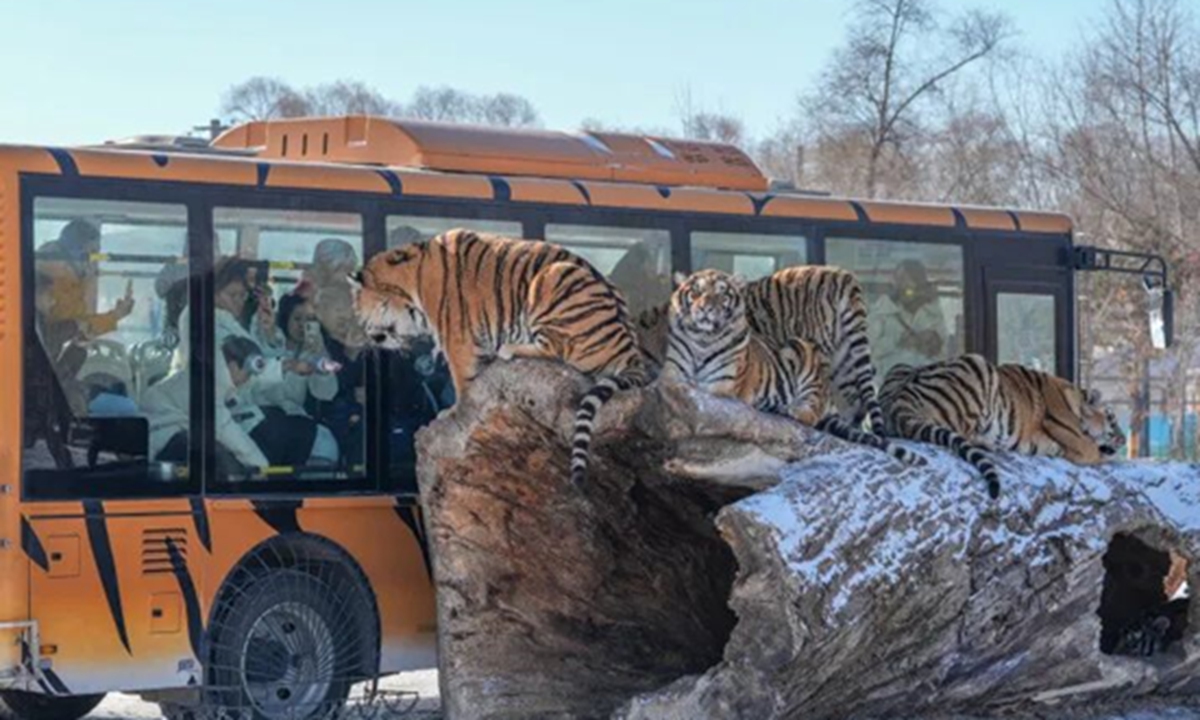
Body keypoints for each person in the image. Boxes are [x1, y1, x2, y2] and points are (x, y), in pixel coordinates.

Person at [143, 335, 269, 474]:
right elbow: (225, 430)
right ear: (233, 366)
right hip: (162, 446)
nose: (247, 380)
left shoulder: (209, 377)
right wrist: (262, 468)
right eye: (247, 374)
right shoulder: (206, 385)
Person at [37, 219, 134, 338]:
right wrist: (116, 315)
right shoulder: (53, 282)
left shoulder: (69, 279)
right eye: (92, 252)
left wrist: (116, 315)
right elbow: (77, 329)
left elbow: (80, 328)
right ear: (77, 252)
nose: (95, 259)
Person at [869, 259, 948, 372]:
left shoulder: (933, 315)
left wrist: (929, 343)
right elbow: (867, 351)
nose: (902, 285)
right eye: (899, 280)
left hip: (924, 378)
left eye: (906, 279)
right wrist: (896, 342)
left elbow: (944, 355)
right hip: (889, 377)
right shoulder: (882, 312)